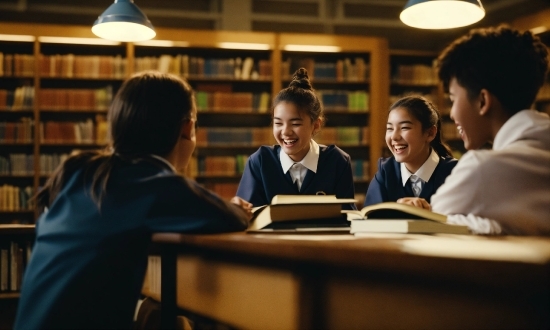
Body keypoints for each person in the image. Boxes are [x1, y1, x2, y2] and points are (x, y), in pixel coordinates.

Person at [14, 72, 251, 330]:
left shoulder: (79, 171)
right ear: (187, 127)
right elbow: (231, 218)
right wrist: (237, 207)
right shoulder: (154, 183)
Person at [426, 25, 549, 235]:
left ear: (483, 101)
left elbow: (425, 226)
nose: (452, 114)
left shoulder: (481, 169)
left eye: (453, 99)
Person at [236, 68, 356, 210]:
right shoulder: (260, 162)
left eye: (295, 123)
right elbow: (245, 217)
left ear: (315, 125)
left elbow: (348, 217)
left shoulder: (338, 161)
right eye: (278, 123)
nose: (286, 132)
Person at [364, 95, 457, 208]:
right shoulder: (386, 173)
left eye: (404, 128)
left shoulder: (455, 173)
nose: (394, 137)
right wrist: (396, 210)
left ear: (430, 133)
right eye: (390, 129)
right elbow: (369, 220)